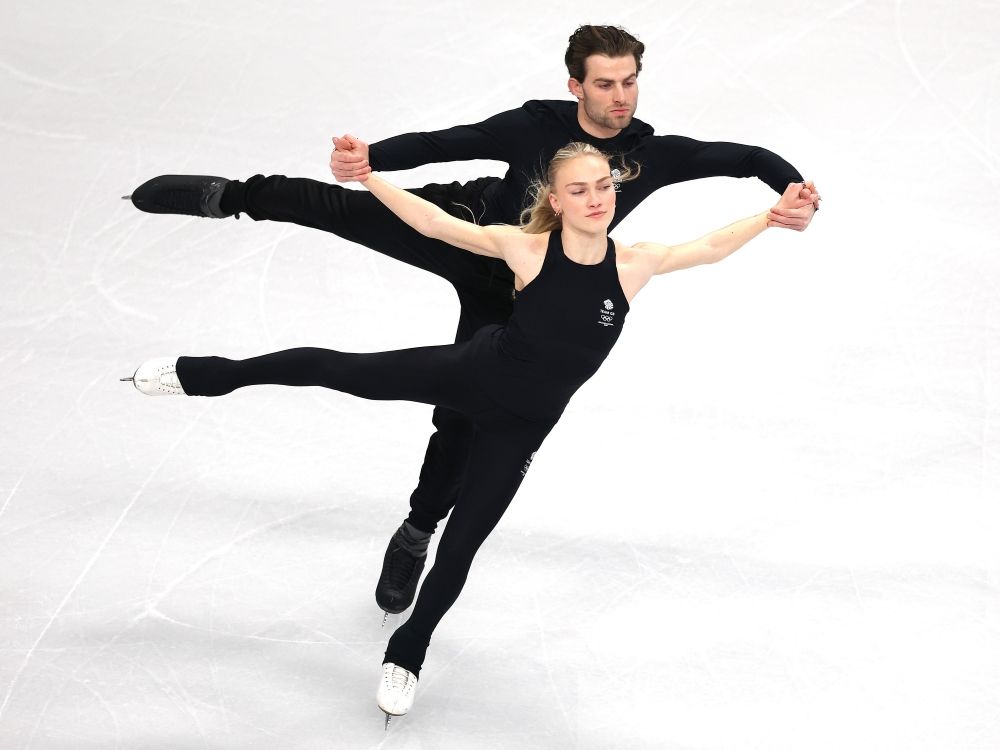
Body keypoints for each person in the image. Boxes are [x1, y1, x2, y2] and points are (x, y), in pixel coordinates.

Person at [125, 24, 821, 621]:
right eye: (606, 84)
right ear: (575, 84)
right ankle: (229, 197)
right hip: (469, 230)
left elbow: (744, 159)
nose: (621, 98)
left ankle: (418, 527)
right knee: (340, 207)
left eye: (630, 82)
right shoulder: (534, 125)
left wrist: (790, 191)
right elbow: (444, 141)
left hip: (523, 292)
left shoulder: (651, 153)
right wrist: (372, 160)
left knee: (458, 418)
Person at [125, 141, 814, 723]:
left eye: (604, 185)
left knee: (462, 547)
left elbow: (712, 246)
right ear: (559, 198)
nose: (597, 198)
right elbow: (433, 225)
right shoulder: (525, 247)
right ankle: (205, 374)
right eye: (581, 190)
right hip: (471, 374)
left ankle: (408, 651)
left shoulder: (633, 263)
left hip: (520, 430)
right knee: (340, 370)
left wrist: (769, 216)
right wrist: (372, 180)